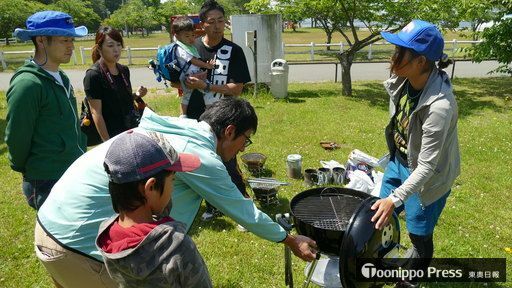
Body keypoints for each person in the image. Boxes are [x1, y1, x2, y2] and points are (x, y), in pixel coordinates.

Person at [36, 98, 317, 287]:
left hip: (49, 224)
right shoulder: (200, 157)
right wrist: (290, 239)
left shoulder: (177, 128)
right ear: (230, 131)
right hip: (80, 249)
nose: (243, 149)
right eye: (246, 140)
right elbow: (242, 210)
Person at [370, 20, 460, 287]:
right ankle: (382, 264)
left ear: (421, 61)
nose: (393, 56)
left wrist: (395, 198)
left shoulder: (440, 106)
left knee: (419, 238)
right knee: (379, 217)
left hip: (428, 178)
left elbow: (427, 166)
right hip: (399, 162)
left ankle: (410, 281)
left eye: (400, 51)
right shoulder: (403, 81)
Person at [96, 130, 212, 287]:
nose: (172, 189)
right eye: (172, 180)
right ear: (150, 188)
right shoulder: (177, 246)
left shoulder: (107, 237)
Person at [5, 10, 88, 210]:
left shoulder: (61, 76)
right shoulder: (28, 83)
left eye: (71, 40)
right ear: (41, 40)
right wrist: (33, 168)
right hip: (46, 180)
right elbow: (17, 137)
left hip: (71, 170)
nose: (71, 46)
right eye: (64, 40)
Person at [185, 0, 252, 221]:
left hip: (222, 116)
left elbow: (237, 89)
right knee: (198, 160)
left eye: (221, 21)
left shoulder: (233, 51)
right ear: (202, 24)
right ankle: (210, 205)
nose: (217, 26)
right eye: (211, 22)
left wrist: (206, 86)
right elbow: (178, 82)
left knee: (227, 161)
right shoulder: (190, 48)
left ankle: (242, 204)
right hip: (194, 115)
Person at [83, 26, 148, 142]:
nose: (116, 50)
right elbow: (96, 112)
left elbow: (119, 100)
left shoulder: (124, 70)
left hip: (130, 131)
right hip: (112, 136)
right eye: (110, 45)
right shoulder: (93, 75)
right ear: (99, 48)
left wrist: (136, 95)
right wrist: (107, 143)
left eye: (119, 44)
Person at [171, 16, 215, 118]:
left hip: (189, 75)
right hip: (190, 76)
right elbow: (193, 60)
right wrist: (207, 66)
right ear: (177, 36)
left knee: (187, 96)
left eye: (192, 35)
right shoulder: (180, 49)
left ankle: (183, 115)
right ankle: (210, 114)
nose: (191, 38)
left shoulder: (186, 46)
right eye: (187, 36)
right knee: (207, 91)